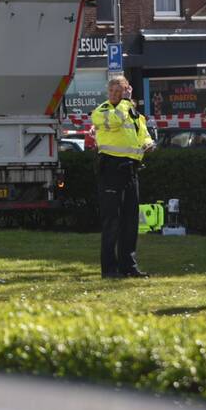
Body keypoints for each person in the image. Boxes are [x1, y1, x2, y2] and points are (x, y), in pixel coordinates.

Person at [91, 76, 154, 279]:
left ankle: (129, 266)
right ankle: (109, 269)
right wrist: (126, 102)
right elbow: (116, 120)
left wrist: (148, 143)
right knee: (112, 221)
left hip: (130, 170)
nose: (116, 95)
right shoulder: (102, 111)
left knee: (130, 221)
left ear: (128, 90)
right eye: (113, 92)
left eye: (120, 91)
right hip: (110, 169)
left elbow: (143, 133)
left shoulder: (134, 114)